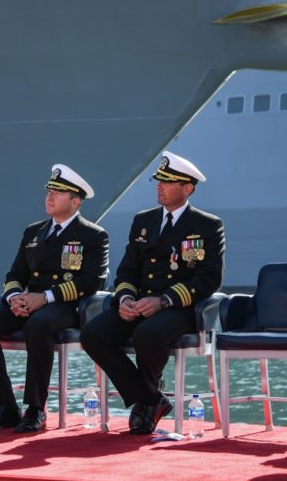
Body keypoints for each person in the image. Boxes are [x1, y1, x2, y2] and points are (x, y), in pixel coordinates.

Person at [81, 151, 225, 435]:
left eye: (168, 182)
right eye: (158, 180)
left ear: (188, 188)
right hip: (138, 304)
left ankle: (146, 405)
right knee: (92, 334)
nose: (159, 186)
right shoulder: (143, 221)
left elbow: (209, 278)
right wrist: (125, 299)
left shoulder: (208, 225)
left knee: (149, 332)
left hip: (178, 308)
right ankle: (151, 398)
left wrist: (163, 301)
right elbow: (128, 271)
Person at [0, 164, 109, 433]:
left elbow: (93, 281)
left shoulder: (93, 235)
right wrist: (12, 298)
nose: (50, 196)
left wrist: (44, 297)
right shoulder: (33, 232)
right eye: (49, 191)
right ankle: (6, 407)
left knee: (38, 324)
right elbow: (15, 273)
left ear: (75, 201)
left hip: (65, 307)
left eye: (58, 192)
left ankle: (35, 409)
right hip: (28, 303)